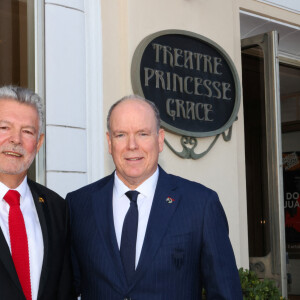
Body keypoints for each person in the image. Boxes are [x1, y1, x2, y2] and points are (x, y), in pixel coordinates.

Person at [66, 95, 243, 299]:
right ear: (109, 142)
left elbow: (226, 294)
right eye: (121, 135)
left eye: (142, 134)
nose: (132, 145)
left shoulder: (201, 205)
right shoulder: (78, 205)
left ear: (160, 139)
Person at [0, 86, 75, 300]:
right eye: (5, 127)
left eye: (27, 131)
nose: (16, 139)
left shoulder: (57, 209)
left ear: (39, 143)